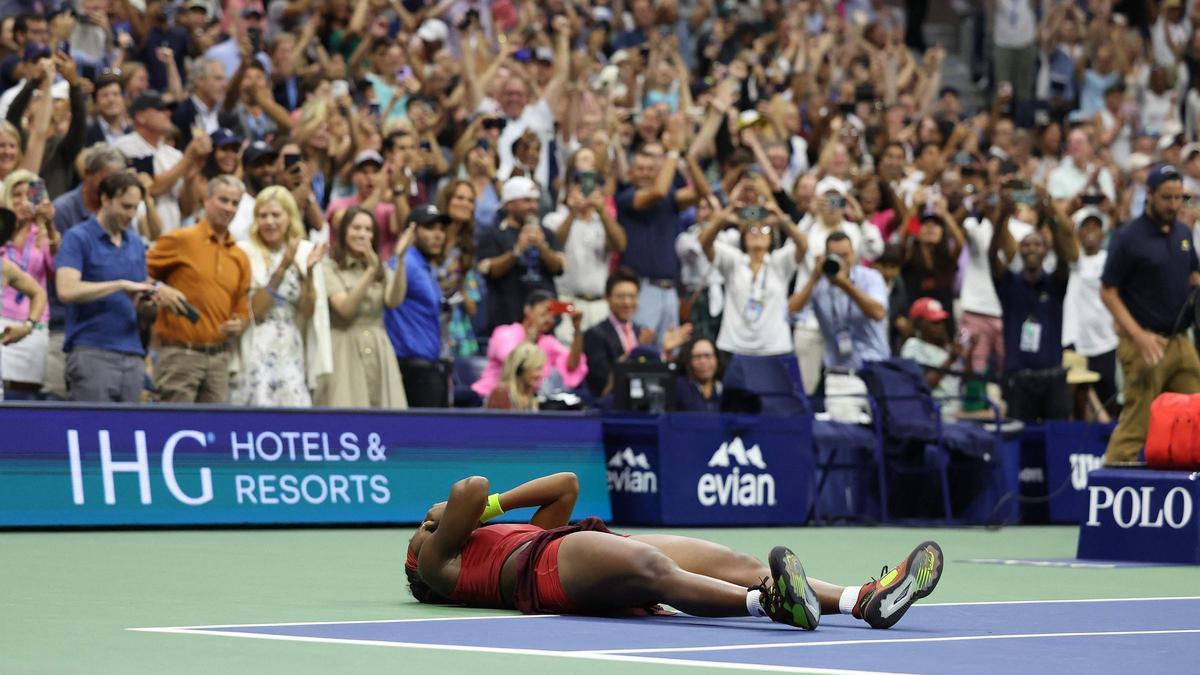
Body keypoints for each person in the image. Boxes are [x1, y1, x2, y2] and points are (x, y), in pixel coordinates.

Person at [405, 472, 943, 631]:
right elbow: (469, 488)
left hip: (570, 547)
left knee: (739, 563)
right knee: (654, 570)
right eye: (419, 534)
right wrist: (451, 514)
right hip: (544, 572)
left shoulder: (499, 530)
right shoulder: (440, 566)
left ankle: (862, 599)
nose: (421, 530)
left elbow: (565, 486)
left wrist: (494, 509)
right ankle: (771, 605)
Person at [55, 172, 187, 402]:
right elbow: (66, 290)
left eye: (135, 208)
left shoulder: (134, 242)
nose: (131, 215)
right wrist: (119, 285)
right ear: (105, 199)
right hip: (92, 350)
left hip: (133, 352)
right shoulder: (78, 237)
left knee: (129, 433)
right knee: (92, 430)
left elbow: (138, 295)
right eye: (126, 206)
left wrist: (155, 297)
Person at [1101, 165, 1200, 465]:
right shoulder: (1128, 237)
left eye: (1179, 198)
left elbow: (1193, 274)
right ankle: (1111, 489)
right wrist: (1138, 335)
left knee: (1195, 417)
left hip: (1181, 343)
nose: (1173, 205)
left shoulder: (1183, 232)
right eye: (1167, 198)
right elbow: (1107, 291)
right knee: (1137, 424)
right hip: (1146, 343)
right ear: (1150, 195)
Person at [146, 174, 252, 403]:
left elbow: (242, 308)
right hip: (180, 354)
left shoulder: (240, 256)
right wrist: (158, 289)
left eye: (235, 203)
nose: (229, 208)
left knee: (215, 432)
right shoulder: (181, 239)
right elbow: (138, 272)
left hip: (219, 358)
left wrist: (239, 323)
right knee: (173, 429)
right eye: (223, 200)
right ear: (206, 200)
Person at [231, 187, 328, 407]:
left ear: (290, 217)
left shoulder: (305, 251)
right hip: (256, 343)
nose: (269, 222)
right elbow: (255, 312)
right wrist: (283, 266)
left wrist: (309, 274)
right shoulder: (244, 252)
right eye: (262, 215)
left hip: (291, 344)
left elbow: (307, 311)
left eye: (276, 215)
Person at [989, 193, 1079, 423]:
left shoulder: (1055, 283)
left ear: (1045, 250)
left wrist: (1050, 216)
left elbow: (1064, 256)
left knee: (1057, 438)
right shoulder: (1009, 283)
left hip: (1052, 377)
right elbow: (992, 257)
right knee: (1019, 440)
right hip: (1019, 379)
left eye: (1038, 244)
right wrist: (1002, 218)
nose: (1032, 248)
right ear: (1019, 250)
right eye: (1026, 244)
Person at [315, 206, 410, 409]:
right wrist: (370, 271)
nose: (363, 234)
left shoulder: (381, 268)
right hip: (343, 348)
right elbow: (345, 309)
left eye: (368, 230)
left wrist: (400, 259)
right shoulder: (329, 269)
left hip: (379, 347)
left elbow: (394, 300)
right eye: (356, 228)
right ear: (344, 233)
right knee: (346, 409)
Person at [700, 195, 807, 357]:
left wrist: (780, 217)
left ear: (772, 238)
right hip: (734, 345)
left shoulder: (779, 262)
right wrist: (724, 216)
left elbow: (803, 245)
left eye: (764, 229)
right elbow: (705, 243)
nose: (757, 233)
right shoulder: (734, 260)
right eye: (752, 229)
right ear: (743, 236)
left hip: (775, 346)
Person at [545, 149, 627, 343]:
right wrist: (573, 212)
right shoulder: (555, 218)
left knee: (598, 358)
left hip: (598, 303)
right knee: (564, 355)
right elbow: (554, 245)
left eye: (592, 182)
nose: (586, 187)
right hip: (564, 300)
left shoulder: (604, 221)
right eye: (579, 182)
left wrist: (602, 211)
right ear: (569, 185)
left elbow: (620, 245)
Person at [582, 267, 691, 398]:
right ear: (607, 298)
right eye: (621, 297)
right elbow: (602, 384)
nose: (627, 302)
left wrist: (665, 353)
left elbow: (656, 377)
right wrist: (638, 350)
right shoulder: (595, 335)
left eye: (632, 296)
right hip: (610, 408)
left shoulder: (643, 332)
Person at [790, 232, 890, 373]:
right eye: (836, 256)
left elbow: (878, 313)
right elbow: (791, 312)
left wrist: (846, 285)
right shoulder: (819, 283)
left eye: (845, 255)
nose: (841, 261)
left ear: (853, 254)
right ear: (825, 256)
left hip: (874, 363)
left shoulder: (870, 277)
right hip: (837, 369)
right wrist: (813, 278)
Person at [115, 90, 211, 235]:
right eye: (160, 109)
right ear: (141, 116)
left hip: (172, 235)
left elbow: (186, 210)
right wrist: (187, 159)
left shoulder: (173, 154)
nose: (168, 114)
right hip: (140, 237)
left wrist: (189, 180)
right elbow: (150, 188)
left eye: (168, 110)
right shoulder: (125, 146)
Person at [476, 177, 564, 334]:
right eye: (527, 201)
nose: (534, 206)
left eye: (536, 201)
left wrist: (542, 248)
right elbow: (488, 270)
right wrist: (517, 250)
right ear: (509, 204)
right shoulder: (493, 234)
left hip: (545, 324)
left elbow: (560, 267)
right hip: (506, 321)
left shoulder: (546, 233)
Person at [384, 205, 452, 408]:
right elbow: (390, 298)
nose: (438, 235)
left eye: (441, 229)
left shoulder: (425, 266)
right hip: (413, 367)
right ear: (411, 232)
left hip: (431, 366)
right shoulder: (404, 264)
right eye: (430, 228)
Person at [472, 289, 587, 402]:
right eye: (544, 313)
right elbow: (517, 361)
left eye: (552, 315)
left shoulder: (548, 342)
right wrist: (534, 331)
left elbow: (572, 365)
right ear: (527, 309)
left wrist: (577, 329)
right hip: (490, 398)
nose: (549, 319)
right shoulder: (505, 332)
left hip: (526, 401)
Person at [0, 169, 55, 398]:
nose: (24, 201)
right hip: (2, 316)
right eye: (17, 195)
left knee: (25, 394)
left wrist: (48, 226)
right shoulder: (2, 230)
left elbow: (54, 273)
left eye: (29, 195)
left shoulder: (42, 234)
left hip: (34, 321)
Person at [1063, 208, 1119, 412]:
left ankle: (1108, 440)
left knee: (1109, 398)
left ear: (1103, 233)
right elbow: (1065, 240)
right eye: (1085, 226)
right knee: (1076, 400)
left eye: (1095, 226)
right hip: (1075, 342)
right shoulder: (1071, 260)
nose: (1090, 231)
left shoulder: (1110, 259)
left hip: (1106, 341)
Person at [901, 298, 975, 421]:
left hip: (958, 412)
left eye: (942, 321)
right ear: (919, 323)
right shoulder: (913, 345)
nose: (940, 326)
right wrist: (950, 360)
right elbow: (921, 386)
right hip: (934, 415)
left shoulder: (947, 348)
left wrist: (970, 352)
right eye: (934, 322)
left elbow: (968, 380)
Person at [485, 341, 545, 412]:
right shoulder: (501, 393)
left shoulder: (531, 395)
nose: (541, 374)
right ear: (520, 369)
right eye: (537, 369)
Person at [675, 337, 722, 413]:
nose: (703, 361)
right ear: (688, 361)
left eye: (707, 356)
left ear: (717, 359)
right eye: (697, 357)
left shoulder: (725, 389)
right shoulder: (678, 387)